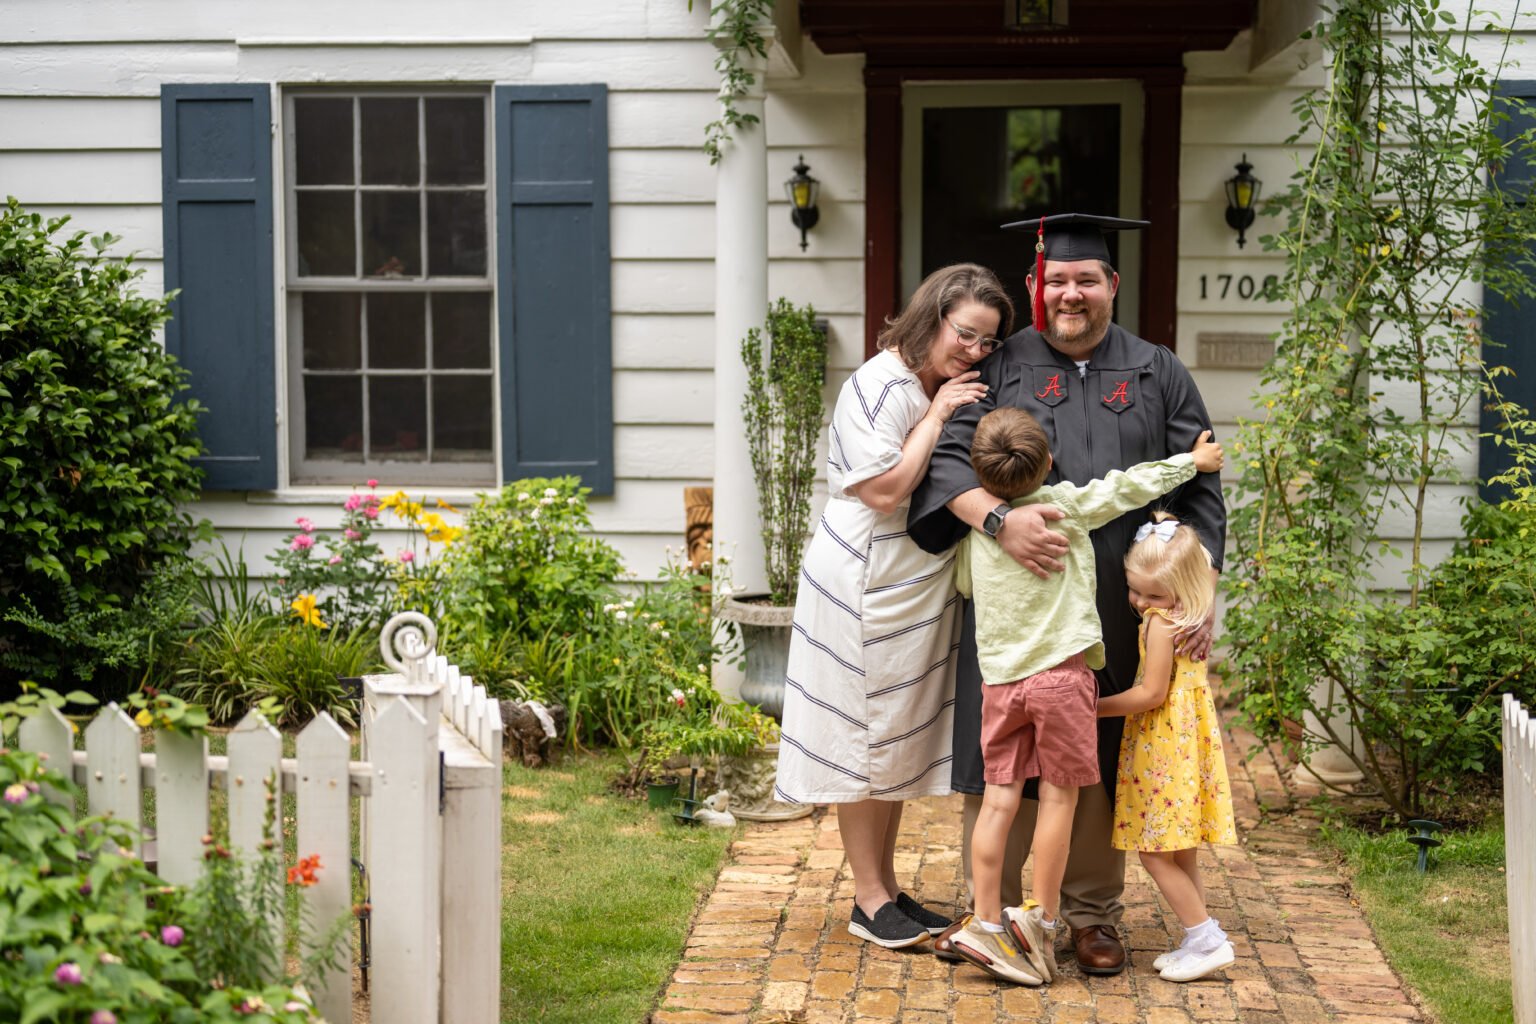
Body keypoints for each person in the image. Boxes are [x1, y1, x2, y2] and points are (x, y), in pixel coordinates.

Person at [908, 214, 1227, 975]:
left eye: (1087, 280)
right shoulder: (1000, 367)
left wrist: (1198, 592)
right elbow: (948, 467)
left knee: (1096, 761)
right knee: (1003, 767)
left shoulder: (1158, 370)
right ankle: (994, 915)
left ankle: (1089, 916)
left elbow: (1200, 485)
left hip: (1119, 611)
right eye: (1057, 281)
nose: (1071, 294)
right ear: (1034, 287)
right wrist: (1000, 522)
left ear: (1112, 285)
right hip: (1019, 615)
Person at [774, 263, 1016, 949]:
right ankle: (869, 898)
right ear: (932, 317)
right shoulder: (882, 386)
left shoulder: (926, 382)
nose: (973, 351)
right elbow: (883, 489)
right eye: (965, 334)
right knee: (863, 740)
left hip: (907, 583)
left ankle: (885, 887)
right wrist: (939, 414)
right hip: (864, 580)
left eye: (987, 343)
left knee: (895, 740)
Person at [945, 408, 1225, 985]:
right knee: (1058, 802)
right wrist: (1191, 463)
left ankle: (985, 920)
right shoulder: (1065, 506)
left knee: (998, 802)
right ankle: (1041, 924)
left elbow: (966, 586)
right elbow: (1127, 487)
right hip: (1063, 681)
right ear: (1048, 463)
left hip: (1000, 684)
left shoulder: (981, 529)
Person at [1096, 512, 1238, 982]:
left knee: (1155, 852)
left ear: (1183, 585)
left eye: (1153, 594)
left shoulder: (1161, 624)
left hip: (1162, 745)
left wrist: (1091, 706)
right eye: (1135, 590)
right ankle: (1196, 936)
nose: (1141, 602)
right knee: (1182, 851)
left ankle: (1207, 938)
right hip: (1187, 742)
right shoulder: (1191, 614)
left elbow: (1150, 694)